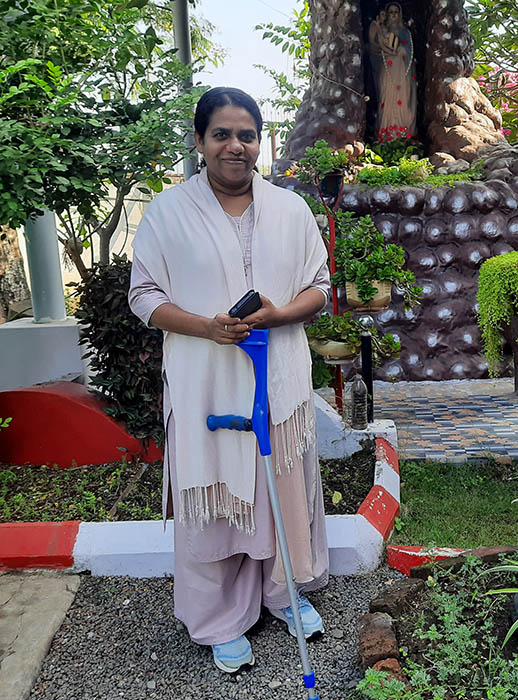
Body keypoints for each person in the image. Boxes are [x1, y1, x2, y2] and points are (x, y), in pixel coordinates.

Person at [128, 87, 331, 674]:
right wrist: (205, 328)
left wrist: (279, 313)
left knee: (281, 485)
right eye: (221, 134)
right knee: (212, 493)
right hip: (204, 381)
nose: (234, 147)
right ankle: (218, 617)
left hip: (279, 376)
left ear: (259, 143)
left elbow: (318, 285)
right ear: (199, 142)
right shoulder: (167, 212)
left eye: (246, 135)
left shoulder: (292, 211)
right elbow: (144, 297)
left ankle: (283, 592)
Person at [372, 2, 416, 138]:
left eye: (396, 12)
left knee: (403, 98)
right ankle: (386, 133)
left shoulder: (405, 32)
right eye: (390, 12)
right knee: (386, 96)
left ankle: (403, 135)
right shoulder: (383, 32)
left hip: (403, 71)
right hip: (387, 70)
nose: (393, 15)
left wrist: (402, 51)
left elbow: (410, 51)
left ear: (400, 14)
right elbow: (375, 50)